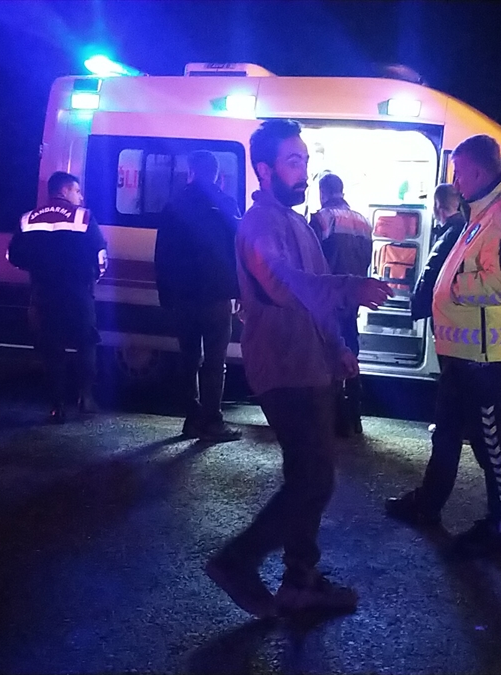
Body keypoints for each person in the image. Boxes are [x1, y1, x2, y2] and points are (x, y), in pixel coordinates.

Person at [205, 119, 393, 618]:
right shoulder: (259, 224)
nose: (303, 171)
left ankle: (298, 580)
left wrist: (337, 347)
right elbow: (284, 285)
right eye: (293, 162)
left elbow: (316, 298)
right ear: (264, 170)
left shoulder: (300, 225)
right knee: (314, 478)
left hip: (311, 364)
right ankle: (238, 562)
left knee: (307, 475)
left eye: (305, 161)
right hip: (283, 366)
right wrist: (351, 286)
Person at [384, 134, 501, 558]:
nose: (455, 181)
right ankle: (429, 504)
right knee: (446, 433)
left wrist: (450, 287)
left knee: (490, 442)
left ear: (477, 171)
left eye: (459, 172)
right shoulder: (485, 209)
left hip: (483, 357)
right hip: (463, 351)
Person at [155, 150, 244, 442]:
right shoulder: (226, 204)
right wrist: (239, 291)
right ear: (217, 175)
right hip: (216, 296)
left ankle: (192, 419)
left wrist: (165, 294)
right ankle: (212, 421)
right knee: (215, 362)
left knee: (189, 359)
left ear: (191, 172)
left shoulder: (174, 205)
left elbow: (163, 253)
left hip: (183, 296)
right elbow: (238, 250)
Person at [8, 171, 107, 423]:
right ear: (64, 191)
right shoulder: (83, 217)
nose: (80, 197)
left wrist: (36, 268)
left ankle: (57, 406)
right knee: (86, 343)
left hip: (44, 292)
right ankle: (85, 398)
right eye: (77, 191)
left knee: (52, 350)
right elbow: (100, 256)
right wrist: (92, 279)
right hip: (78, 293)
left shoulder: (28, 219)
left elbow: (13, 256)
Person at [308, 173, 373, 437]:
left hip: (328, 296)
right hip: (352, 297)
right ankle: (354, 416)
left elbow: (310, 260)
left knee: (327, 355)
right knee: (351, 351)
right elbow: (366, 260)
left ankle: (334, 419)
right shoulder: (363, 221)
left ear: (323, 193)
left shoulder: (321, 219)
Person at [410, 183, 466, 322]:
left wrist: (418, 305)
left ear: (437, 205)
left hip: (443, 309)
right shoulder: (459, 229)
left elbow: (432, 272)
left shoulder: (449, 235)